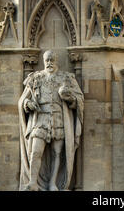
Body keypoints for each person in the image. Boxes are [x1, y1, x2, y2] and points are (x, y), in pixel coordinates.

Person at [18, 50, 84, 191]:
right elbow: (23, 99)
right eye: (47, 60)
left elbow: (79, 99)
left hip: (59, 118)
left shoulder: (66, 78)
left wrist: (70, 98)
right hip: (40, 118)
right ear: (43, 61)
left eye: (52, 60)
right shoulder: (36, 78)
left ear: (57, 61)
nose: (49, 63)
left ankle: (53, 183)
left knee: (57, 153)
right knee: (35, 151)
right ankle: (33, 182)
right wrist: (27, 104)